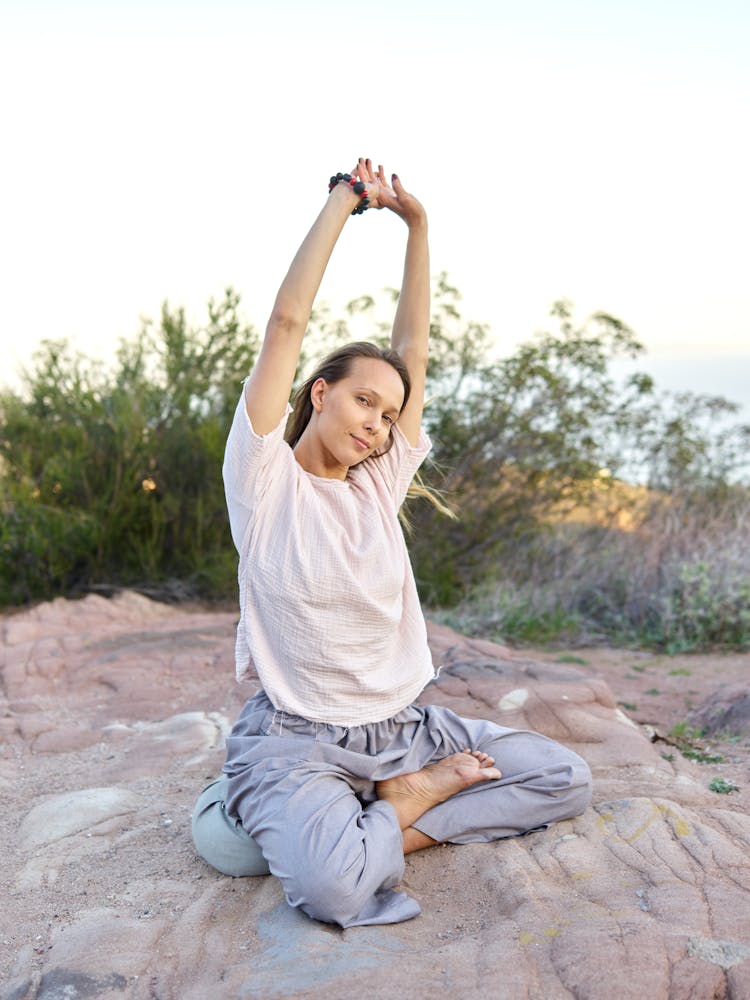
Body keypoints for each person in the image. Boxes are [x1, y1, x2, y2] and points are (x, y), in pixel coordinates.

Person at [191, 158, 592, 928]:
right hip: (300, 739)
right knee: (331, 891)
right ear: (320, 393)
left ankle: (388, 813)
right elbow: (286, 322)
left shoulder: (377, 484)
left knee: (562, 776)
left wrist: (419, 225)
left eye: (388, 414)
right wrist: (345, 201)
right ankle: (378, 812)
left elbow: (414, 348)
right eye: (362, 401)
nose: (376, 423)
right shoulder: (264, 481)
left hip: (405, 731)